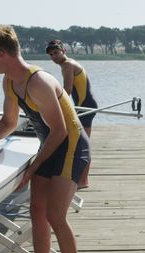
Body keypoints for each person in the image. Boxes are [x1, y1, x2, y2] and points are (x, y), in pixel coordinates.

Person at [0, 25, 89, 253]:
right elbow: (10, 123)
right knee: (37, 211)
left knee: (55, 216)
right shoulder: (10, 82)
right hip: (50, 145)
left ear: (2, 54)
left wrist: (32, 167)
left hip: (70, 145)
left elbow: (60, 131)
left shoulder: (40, 82)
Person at [46, 39, 97, 189]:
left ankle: (83, 181)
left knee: (83, 144)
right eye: (51, 55)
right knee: (80, 142)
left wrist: (51, 106)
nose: (54, 56)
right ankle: (80, 179)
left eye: (56, 53)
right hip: (83, 106)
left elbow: (66, 91)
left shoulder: (67, 65)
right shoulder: (68, 63)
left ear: (63, 51)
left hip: (85, 107)